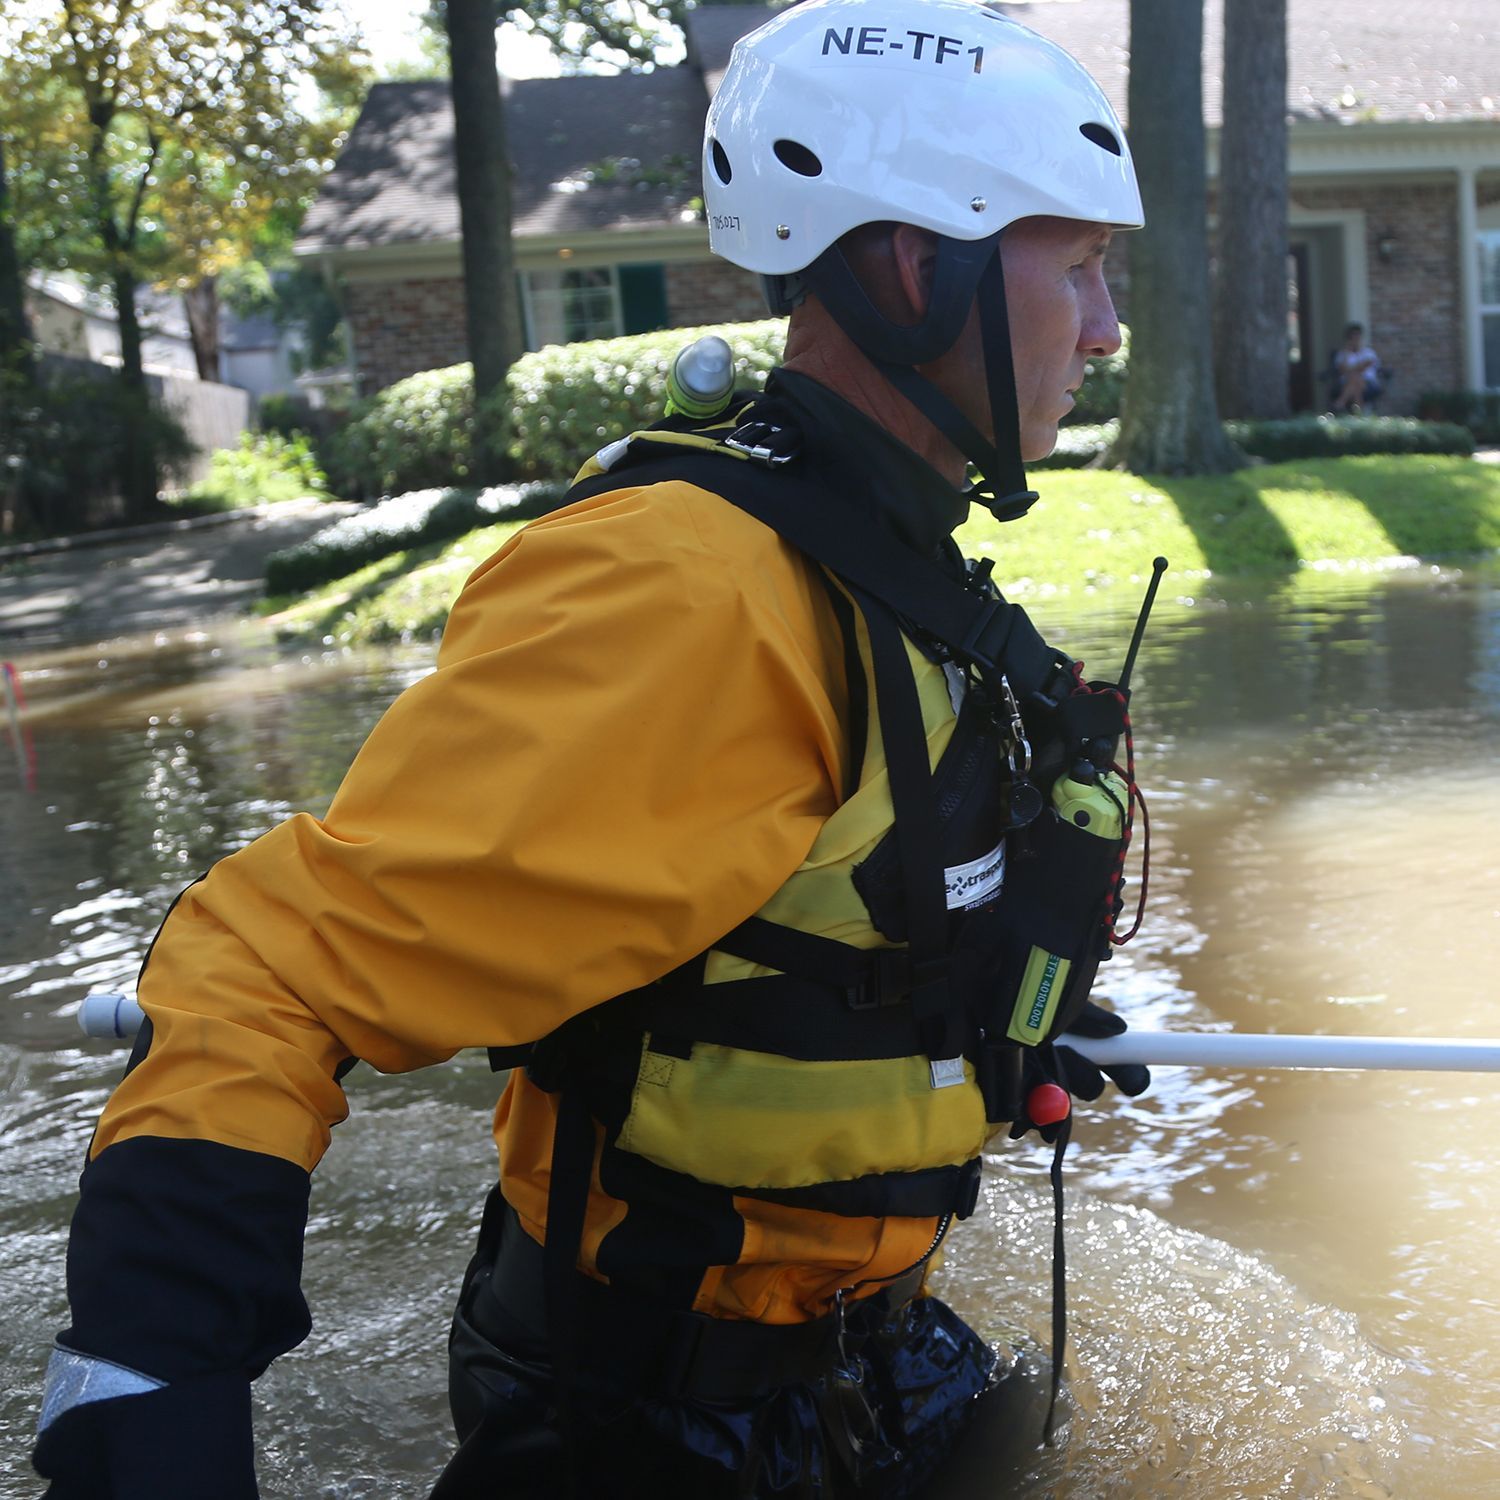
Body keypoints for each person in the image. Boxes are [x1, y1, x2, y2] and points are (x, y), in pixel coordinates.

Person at [32, 1, 1154, 1495]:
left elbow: (821, 912)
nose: (1105, 328)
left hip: (859, 1356)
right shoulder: (688, 593)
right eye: (1077, 266)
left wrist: (981, 1019)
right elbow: (266, 973)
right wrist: (144, 1399)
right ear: (916, 264)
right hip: (655, 1423)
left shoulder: (886, 556)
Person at [1330, 322, 1382, 412]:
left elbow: (1362, 367)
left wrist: (1349, 370)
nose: (1355, 339)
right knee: (1355, 382)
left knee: (1355, 377)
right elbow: (1342, 369)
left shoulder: (1368, 352)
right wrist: (1347, 352)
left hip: (1368, 382)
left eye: (1357, 336)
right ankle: (1359, 413)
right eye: (1352, 337)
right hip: (1347, 382)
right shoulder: (1342, 354)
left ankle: (1340, 403)